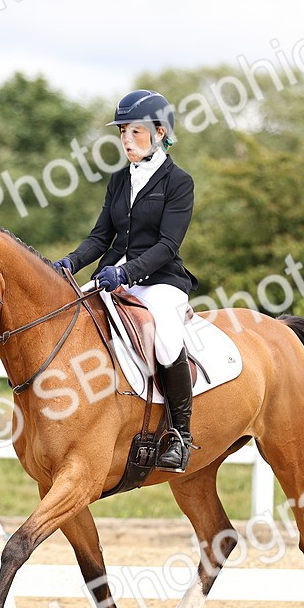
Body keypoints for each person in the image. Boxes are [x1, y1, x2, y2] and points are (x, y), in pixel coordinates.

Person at [53, 89, 198, 473]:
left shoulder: (179, 182)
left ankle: (181, 435)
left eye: (135, 132)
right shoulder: (119, 180)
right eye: (122, 133)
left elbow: (168, 244)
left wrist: (126, 272)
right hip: (113, 275)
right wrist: (69, 263)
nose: (126, 141)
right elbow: (101, 237)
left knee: (165, 339)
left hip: (161, 281)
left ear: (160, 132)